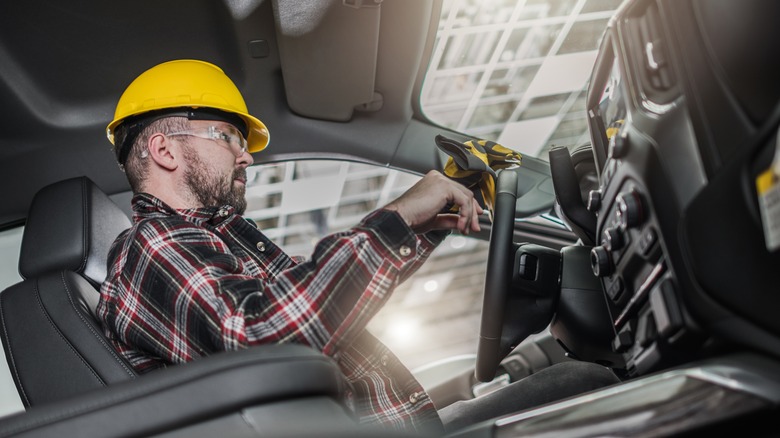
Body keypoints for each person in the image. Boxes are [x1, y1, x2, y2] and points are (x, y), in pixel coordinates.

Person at [98, 59, 618, 435]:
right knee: (586, 382)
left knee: (573, 380)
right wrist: (396, 218)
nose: (246, 157)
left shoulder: (211, 241)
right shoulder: (150, 248)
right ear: (164, 149)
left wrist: (422, 227)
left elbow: (320, 307)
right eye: (228, 136)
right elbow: (262, 339)